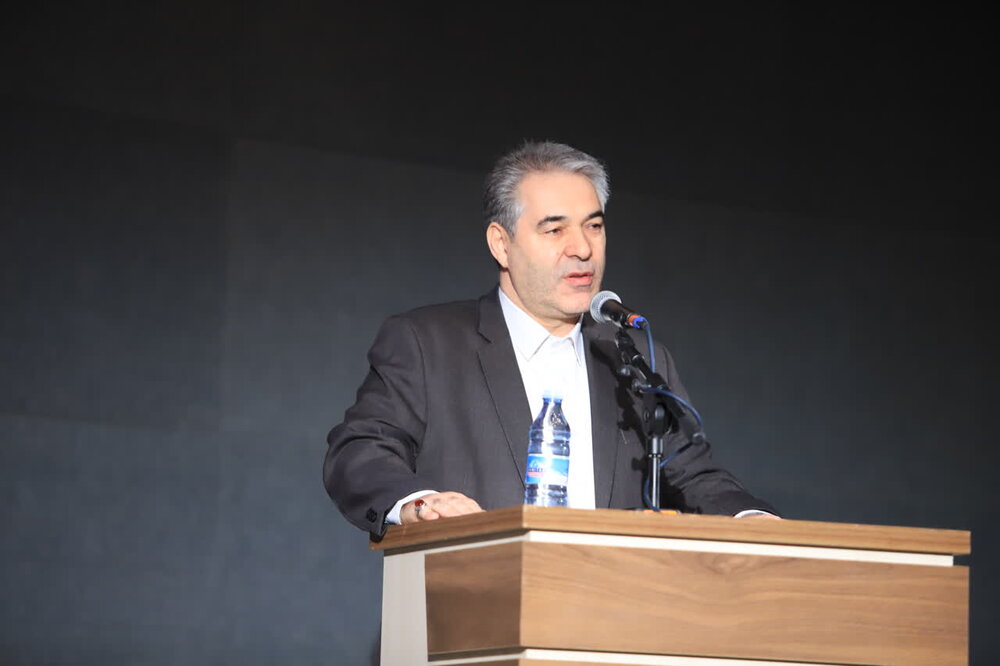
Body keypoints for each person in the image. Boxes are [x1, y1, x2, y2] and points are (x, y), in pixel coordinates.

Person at [324, 141, 776, 537]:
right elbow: (360, 452)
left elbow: (693, 473)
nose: (582, 248)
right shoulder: (429, 344)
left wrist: (751, 518)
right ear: (501, 244)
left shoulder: (633, 356)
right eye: (555, 230)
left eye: (593, 226)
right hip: (476, 595)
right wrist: (420, 504)